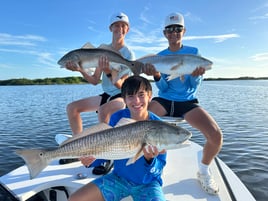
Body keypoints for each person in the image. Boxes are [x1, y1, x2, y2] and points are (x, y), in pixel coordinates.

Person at [143, 12, 223, 195]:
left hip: (187, 101)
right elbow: (163, 87)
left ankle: (203, 171)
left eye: (177, 29)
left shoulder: (193, 53)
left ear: (184, 31)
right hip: (164, 99)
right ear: (165, 33)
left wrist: (195, 77)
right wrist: (156, 75)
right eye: (170, 29)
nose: (174, 32)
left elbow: (192, 87)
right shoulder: (159, 56)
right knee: (138, 124)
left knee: (216, 135)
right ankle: (142, 166)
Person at [68, 75, 167, 201]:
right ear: (124, 100)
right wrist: (92, 160)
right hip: (118, 178)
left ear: (150, 96)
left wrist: (150, 160)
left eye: (141, 95)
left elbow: (158, 169)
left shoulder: (159, 126)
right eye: (131, 96)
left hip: (148, 184)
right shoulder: (117, 117)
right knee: (74, 199)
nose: (136, 101)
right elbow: (108, 147)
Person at [64, 12, 135, 174]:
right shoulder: (102, 49)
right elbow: (95, 80)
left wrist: (109, 71)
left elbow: (122, 85)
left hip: (120, 95)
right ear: (111, 28)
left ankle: (106, 157)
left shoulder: (128, 55)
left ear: (127, 29)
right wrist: (80, 69)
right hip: (105, 94)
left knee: (104, 111)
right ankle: (79, 149)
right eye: (116, 25)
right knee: (72, 108)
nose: (120, 28)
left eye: (123, 26)